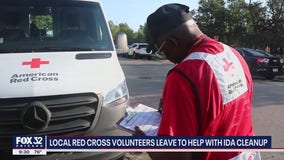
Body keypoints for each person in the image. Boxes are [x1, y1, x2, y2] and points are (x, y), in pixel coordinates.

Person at [134, 3, 261, 160]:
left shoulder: (182, 76)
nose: (166, 57)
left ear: (172, 43)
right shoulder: (233, 54)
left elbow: (177, 156)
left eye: (162, 51)